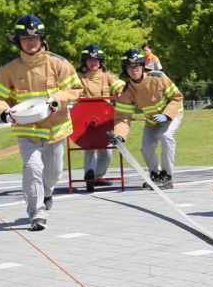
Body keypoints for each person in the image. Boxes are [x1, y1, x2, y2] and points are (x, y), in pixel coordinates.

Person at [0, 15, 83, 231]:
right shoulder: (9, 69)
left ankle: (47, 192)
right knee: (32, 169)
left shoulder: (58, 63)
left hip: (55, 129)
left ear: (42, 39)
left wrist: (57, 100)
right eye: (25, 38)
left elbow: (75, 88)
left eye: (35, 37)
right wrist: (4, 112)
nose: (31, 42)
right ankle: (37, 214)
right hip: (26, 130)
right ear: (18, 41)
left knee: (53, 174)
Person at [112, 48, 184, 190]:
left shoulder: (159, 77)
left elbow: (177, 97)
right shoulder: (128, 91)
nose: (134, 70)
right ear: (125, 70)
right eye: (129, 67)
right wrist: (119, 135)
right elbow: (123, 116)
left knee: (166, 136)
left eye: (136, 66)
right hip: (152, 122)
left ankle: (167, 176)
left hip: (172, 115)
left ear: (142, 66)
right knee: (146, 148)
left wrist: (166, 115)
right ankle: (156, 176)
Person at [77, 44, 126, 192]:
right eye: (90, 59)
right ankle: (89, 177)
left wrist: (121, 92)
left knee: (107, 151)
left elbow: (119, 84)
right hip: (85, 119)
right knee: (89, 148)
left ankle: (97, 177)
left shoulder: (106, 75)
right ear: (84, 61)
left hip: (104, 119)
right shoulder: (77, 76)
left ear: (101, 61)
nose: (93, 62)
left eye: (96, 60)